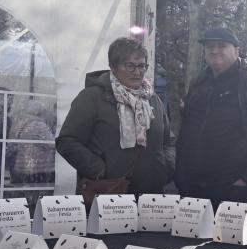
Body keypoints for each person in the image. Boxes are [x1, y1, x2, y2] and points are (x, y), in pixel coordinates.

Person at [174, 25, 247, 207]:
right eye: (210, 47)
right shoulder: (198, 84)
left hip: (236, 189)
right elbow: (186, 133)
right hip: (197, 188)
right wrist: (182, 178)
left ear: (236, 50)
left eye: (221, 45)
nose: (215, 51)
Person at [56, 36, 174, 198]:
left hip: (150, 196)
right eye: (130, 66)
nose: (137, 72)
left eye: (141, 66)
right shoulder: (92, 97)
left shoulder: (153, 100)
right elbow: (67, 141)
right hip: (107, 193)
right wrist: (99, 169)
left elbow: (168, 142)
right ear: (113, 66)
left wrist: (164, 168)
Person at [8, 101, 56, 186]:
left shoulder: (19, 123)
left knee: (25, 191)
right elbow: (52, 144)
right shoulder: (38, 125)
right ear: (38, 112)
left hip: (21, 165)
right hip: (38, 168)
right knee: (37, 192)